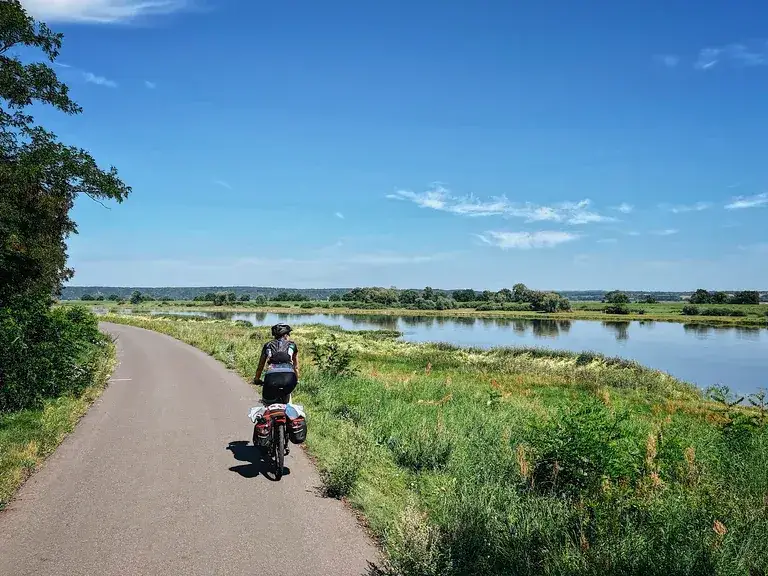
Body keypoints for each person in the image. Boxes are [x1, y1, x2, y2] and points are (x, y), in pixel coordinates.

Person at [253, 323, 299, 406]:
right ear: (286, 335)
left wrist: (257, 379)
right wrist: (297, 380)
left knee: (267, 404)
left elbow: (260, 366)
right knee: (288, 405)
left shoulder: (267, 345)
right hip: (289, 378)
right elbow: (296, 367)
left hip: (271, 378)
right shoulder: (292, 345)